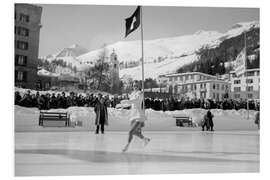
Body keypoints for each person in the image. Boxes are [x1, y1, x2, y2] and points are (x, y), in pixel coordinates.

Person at [119, 81, 150, 152]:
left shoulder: (140, 93)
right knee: (135, 132)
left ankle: (127, 146)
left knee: (130, 132)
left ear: (139, 86)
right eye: (134, 85)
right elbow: (130, 104)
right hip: (133, 114)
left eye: (136, 85)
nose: (135, 87)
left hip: (139, 115)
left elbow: (136, 101)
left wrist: (127, 101)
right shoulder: (132, 93)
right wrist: (122, 105)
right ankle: (145, 139)